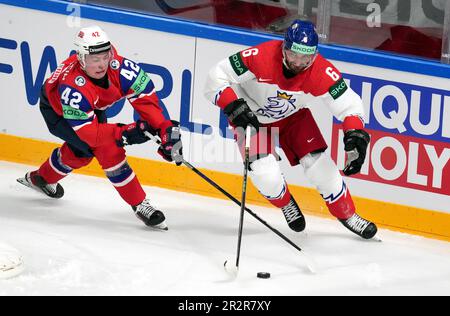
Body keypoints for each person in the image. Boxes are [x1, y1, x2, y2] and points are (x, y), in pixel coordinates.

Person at [204, 20, 377, 239]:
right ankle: (285, 203)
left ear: (314, 55)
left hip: (293, 117)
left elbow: (348, 103)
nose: (298, 62)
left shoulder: (321, 71)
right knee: (266, 175)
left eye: (306, 57)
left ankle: (348, 214)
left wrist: (355, 133)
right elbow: (215, 77)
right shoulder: (260, 57)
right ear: (284, 47)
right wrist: (233, 105)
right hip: (251, 119)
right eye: (294, 54)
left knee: (320, 166)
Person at [17, 26, 183, 230]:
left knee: (82, 151)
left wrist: (164, 127)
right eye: (95, 59)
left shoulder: (121, 67)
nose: (102, 64)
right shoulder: (73, 88)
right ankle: (140, 204)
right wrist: (126, 133)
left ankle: (41, 178)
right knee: (102, 149)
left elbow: (146, 99)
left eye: (105, 56)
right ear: (81, 58)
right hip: (57, 111)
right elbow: (90, 134)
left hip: (90, 108)